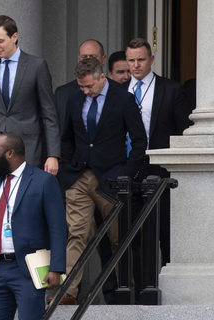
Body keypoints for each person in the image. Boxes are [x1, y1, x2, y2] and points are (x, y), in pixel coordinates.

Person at [60, 57, 147, 303]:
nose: (85, 91)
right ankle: (69, 292)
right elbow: (66, 137)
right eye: (81, 87)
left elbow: (139, 141)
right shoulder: (75, 98)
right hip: (79, 177)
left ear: (102, 78)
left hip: (111, 178)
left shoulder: (123, 99)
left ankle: (126, 291)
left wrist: (125, 173)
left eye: (89, 86)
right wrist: (68, 164)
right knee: (76, 234)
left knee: (118, 237)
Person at [0, 133, 67, 320]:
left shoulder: (43, 181)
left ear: (10, 153)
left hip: (27, 270)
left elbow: (58, 228)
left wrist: (56, 267)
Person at [121, 38, 193, 272]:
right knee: (129, 233)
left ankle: (166, 285)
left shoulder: (171, 89)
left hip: (159, 168)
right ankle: (135, 289)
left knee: (163, 231)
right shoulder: (118, 91)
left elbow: (183, 131)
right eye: (131, 60)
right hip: (128, 167)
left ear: (151, 59)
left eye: (141, 59)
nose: (136, 65)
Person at [0, 15, 60, 175]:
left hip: (29, 147)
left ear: (14, 37)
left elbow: (49, 114)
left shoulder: (37, 66)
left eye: (0, 41)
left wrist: (53, 155)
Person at [54, 39, 108, 137]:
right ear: (79, 60)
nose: (88, 60)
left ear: (103, 59)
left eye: (93, 57)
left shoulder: (119, 91)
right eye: (84, 57)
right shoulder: (62, 94)